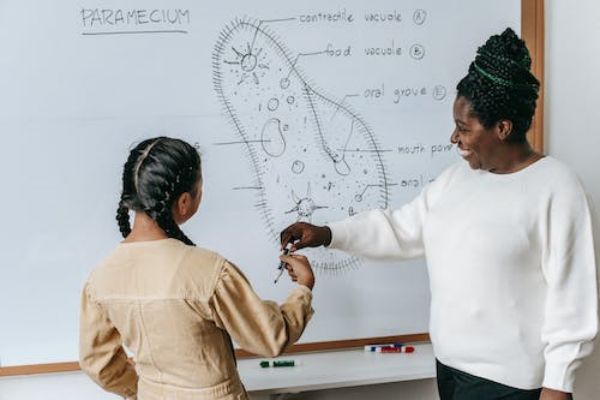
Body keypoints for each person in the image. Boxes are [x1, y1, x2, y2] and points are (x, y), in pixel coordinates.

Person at [280, 28, 597, 400]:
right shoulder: (455, 180)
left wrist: (558, 386)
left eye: (463, 129)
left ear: (502, 128)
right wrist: (327, 234)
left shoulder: (557, 188)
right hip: (450, 371)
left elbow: (572, 301)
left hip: (511, 386)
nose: (454, 138)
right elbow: (399, 229)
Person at [80, 137, 315, 400]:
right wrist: (303, 289)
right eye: (200, 189)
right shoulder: (209, 271)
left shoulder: (100, 278)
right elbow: (271, 337)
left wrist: (146, 390)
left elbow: (97, 363)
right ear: (184, 202)